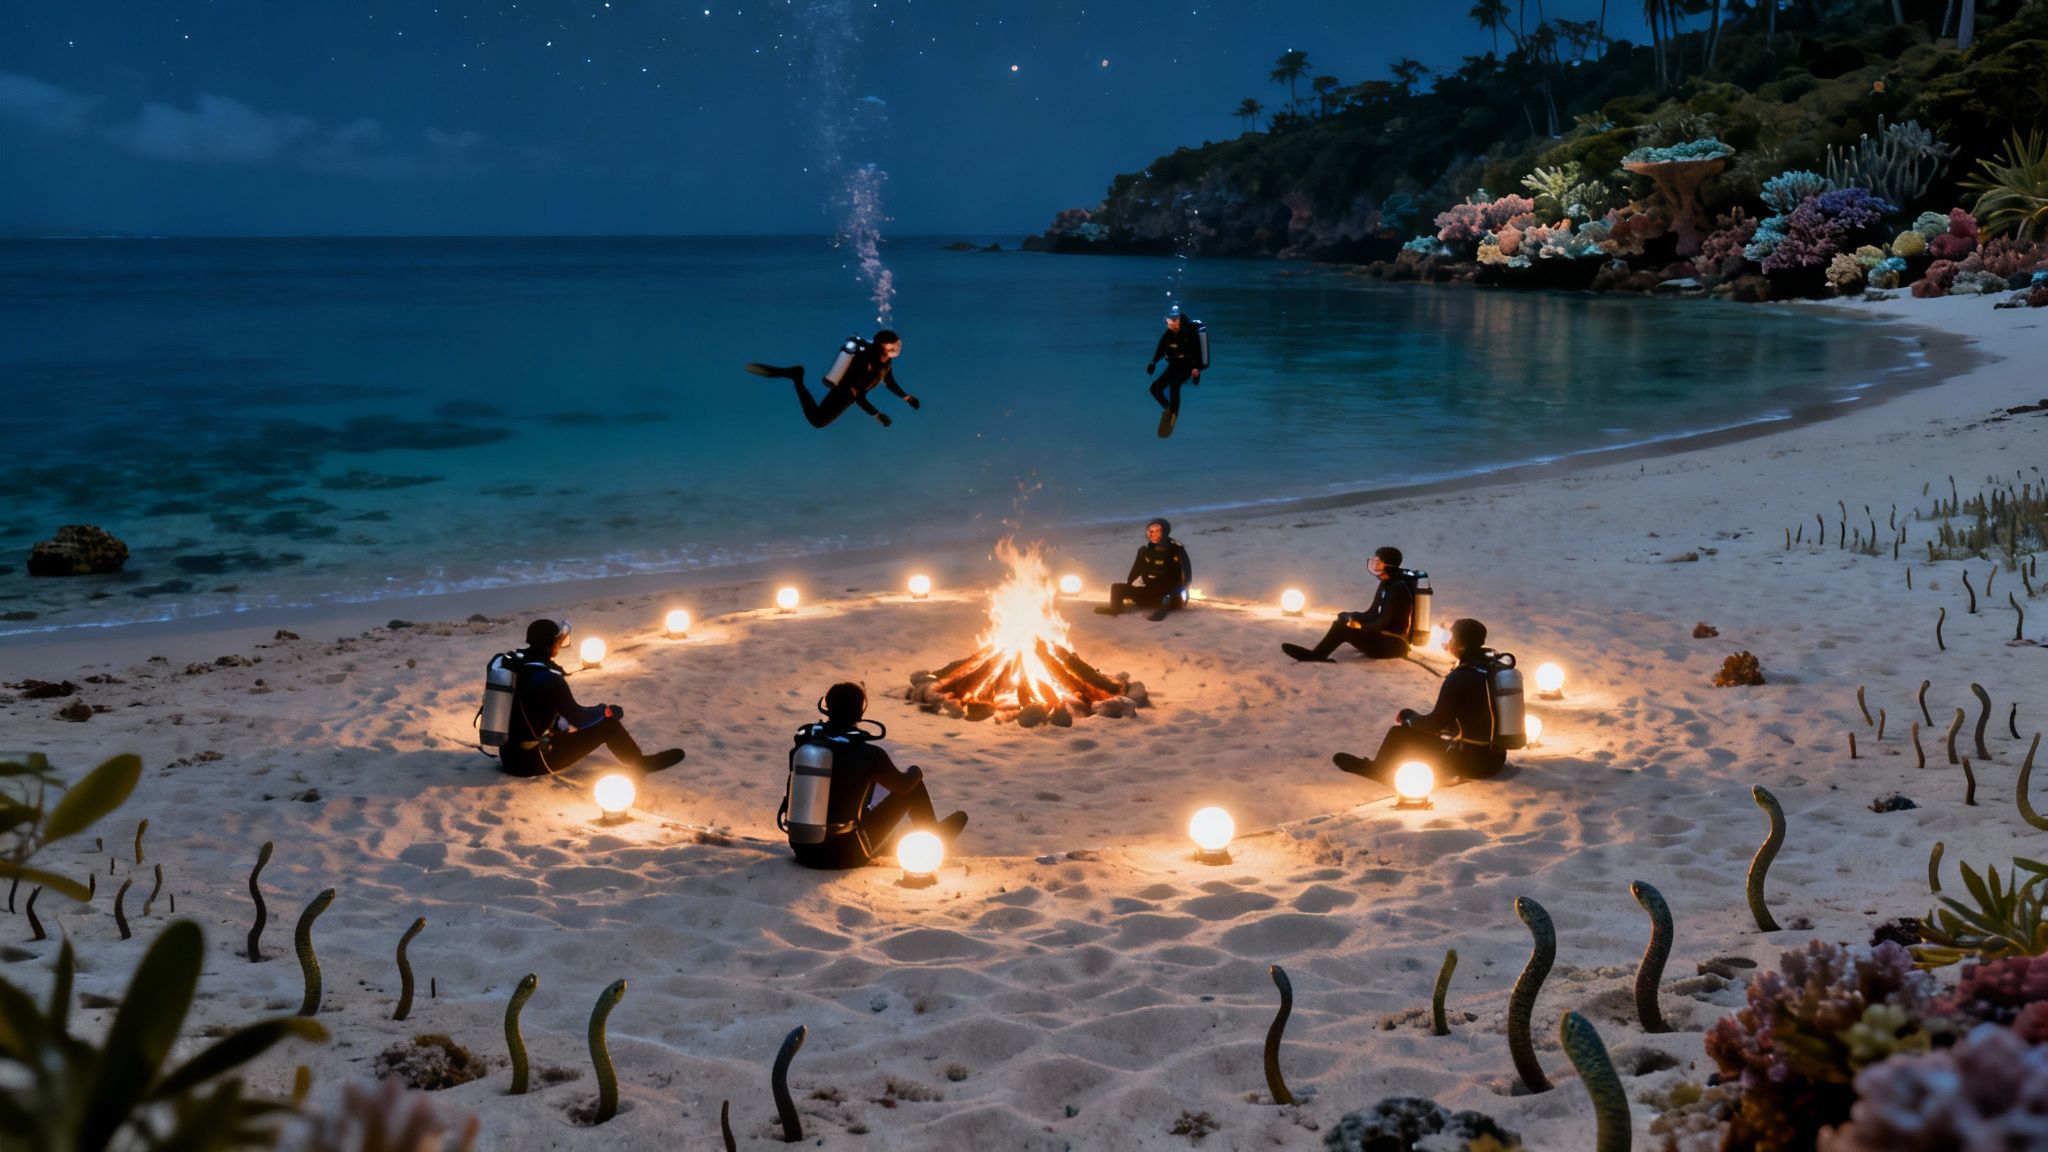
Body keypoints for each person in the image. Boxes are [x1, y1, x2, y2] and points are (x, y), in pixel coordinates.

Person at [782, 682, 967, 869]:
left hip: (803, 850)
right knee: (914, 786)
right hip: (845, 855)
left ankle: (890, 845)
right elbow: (904, 786)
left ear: (827, 706)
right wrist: (916, 771)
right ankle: (934, 838)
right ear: (861, 711)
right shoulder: (870, 754)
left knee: (876, 828)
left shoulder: (806, 743)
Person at [497, 618, 686, 778]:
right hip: (534, 762)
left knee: (591, 716)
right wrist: (606, 711)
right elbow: (579, 719)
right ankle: (640, 763)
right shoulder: (549, 679)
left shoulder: (515, 666)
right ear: (554, 643)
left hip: (509, 757)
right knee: (608, 723)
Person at [1332, 617, 1508, 783]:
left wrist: (1409, 722)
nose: (1448, 641)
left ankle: (1376, 770)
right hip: (1494, 760)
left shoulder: (1460, 677)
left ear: (1460, 645)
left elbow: (1435, 724)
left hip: (1471, 764)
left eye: (1451, 637)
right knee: (1410, 716)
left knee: (1399, 734)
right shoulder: (1491, 669)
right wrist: (1412, 717)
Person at [746, 330, 920, 430]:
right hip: (845, 394)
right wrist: (877, 415)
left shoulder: (885, 360)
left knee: (818, 420)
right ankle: (796, 377)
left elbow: (889, 380)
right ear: (883, 347)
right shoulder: (867, 364)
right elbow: (859, 397)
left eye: (897, 345)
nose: (897, 349)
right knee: (817, 421)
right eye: (893, 346)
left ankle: (796, 376)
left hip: (850, 393)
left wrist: (906, 397)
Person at [1281, 545, 1414, 662]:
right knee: (1341, 623)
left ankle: (1317, 655)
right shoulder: (1385, 584)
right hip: (1383, 639)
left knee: (1342, 628)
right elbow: (1372, 613)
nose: (1375, 566)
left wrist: (1359, 627)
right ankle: (1318, 653)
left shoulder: (1398, 588)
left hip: (1394, 645)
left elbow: (1382, 623)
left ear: (1389, 566)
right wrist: (1351, 616)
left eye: (1379, 563)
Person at [1096, 517, 1193, 622]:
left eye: (1157, 531)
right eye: (1151, 531)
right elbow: (1135, 570)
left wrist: (1183, 590)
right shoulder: (1145, 550)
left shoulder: (1176, 549)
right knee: (1116, 588)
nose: (1153, 534)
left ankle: (1162, 611)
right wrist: (1130, 586)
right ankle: (1115, 609)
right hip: (1149, 590)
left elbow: (1186, 572)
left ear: (1165, 531)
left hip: (1170, 594)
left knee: (1167, 594)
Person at [1146, 306, 1208, 438]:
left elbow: (1197, 352)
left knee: (1175, 385)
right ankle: (1169, 409)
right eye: (1170, 322)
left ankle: (1174, 415)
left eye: (1175, 322)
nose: (1172, 325)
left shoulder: (1189, 333)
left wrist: (1196, 370)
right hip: (1174, 365)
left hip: (1187, 366)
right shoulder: (1168, 334)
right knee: (1154, 388)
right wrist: (1153, 363)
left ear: (1180, 321)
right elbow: (1161, 349)